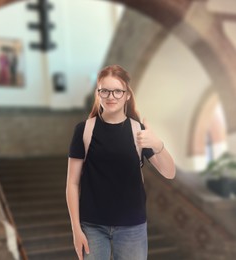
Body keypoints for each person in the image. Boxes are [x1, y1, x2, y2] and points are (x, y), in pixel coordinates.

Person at [66, 65, 175, 260]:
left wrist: (158, 144)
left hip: (132, 227)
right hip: (92, 226)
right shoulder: (84, 130)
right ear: (98, 93)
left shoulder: (138, 131)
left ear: (127, 95)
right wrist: (76, 228)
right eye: (105, 90)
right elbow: (72, 184)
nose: (111, 96)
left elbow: (169, 172)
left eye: (117, 91)